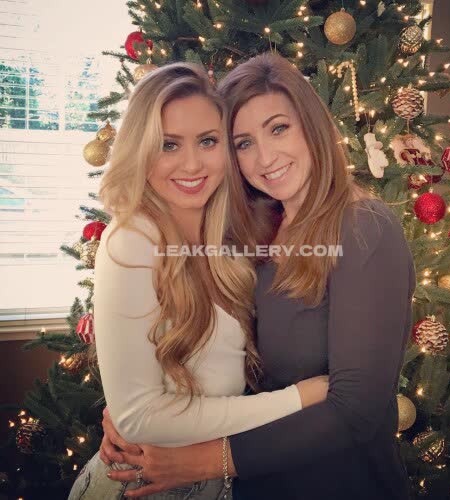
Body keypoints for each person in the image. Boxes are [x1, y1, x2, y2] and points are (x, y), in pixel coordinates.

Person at [104, 53, 416, 500]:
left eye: (278, 128)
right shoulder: (254, 230)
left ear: (311, 125)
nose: (266, 157)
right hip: (255, 485)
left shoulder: (364, 227)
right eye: (243, 143)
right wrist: (136, 414)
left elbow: (356, 410)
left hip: (340, 483)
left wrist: (203, 460)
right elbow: (231, 366)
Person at [68, 60, 329, 500]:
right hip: (139, 486)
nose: (191, 164)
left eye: (208, 141)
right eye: (168, 144)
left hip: (218, 483)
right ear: (140, 150)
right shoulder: (131, 240)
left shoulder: (231, 236)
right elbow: (139, 419)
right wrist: (298, 399)